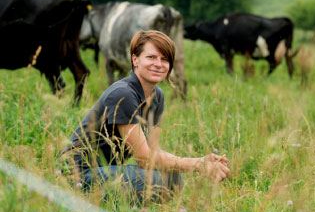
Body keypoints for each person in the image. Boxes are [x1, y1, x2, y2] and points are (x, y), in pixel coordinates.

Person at [65, 30, 230, 202]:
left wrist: (204, 161)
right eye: (151, 57)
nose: (158, 64)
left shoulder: (156, 96)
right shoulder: (124, 94)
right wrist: (197, 164)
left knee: (173, 179)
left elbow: (153, 150)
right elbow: (144, 158)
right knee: (159, 182)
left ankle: (130, 202)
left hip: (108, 169)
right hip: (80, 174)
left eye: (165, 59)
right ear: (135, 60)